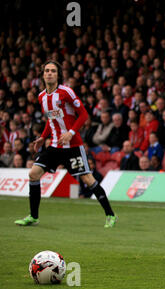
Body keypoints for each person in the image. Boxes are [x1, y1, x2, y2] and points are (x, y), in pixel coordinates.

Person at [14, 60, 117, 228]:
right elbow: (51, 119)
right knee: (33, 174)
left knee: (88, 179)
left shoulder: (66, 92)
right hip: (54, 145)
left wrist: (71, 133)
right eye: (47, 70)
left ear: (58, 74)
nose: (49, 73)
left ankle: (110, 215)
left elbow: (83, 114)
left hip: (73, 146)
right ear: (42, 74)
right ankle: (33, 216)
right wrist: (42, 137)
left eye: (53, 71)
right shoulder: (41, 97)